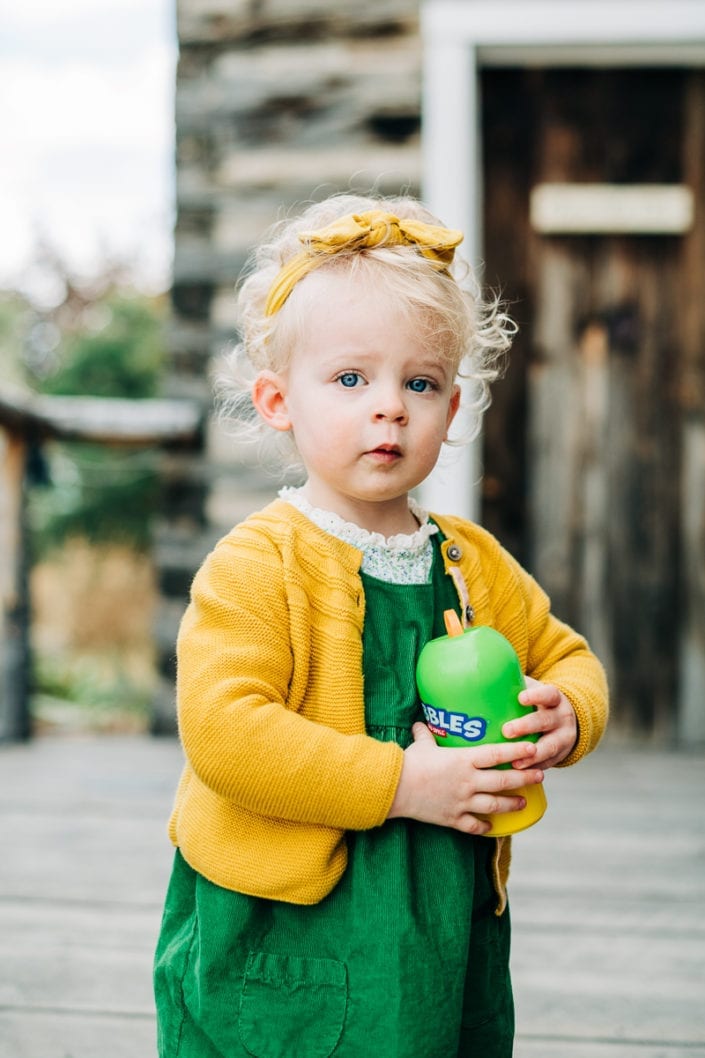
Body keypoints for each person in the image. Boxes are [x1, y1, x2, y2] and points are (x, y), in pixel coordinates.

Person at [154, 194, 609, 1058]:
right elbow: (223, 732)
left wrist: (567, 713)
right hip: (289, 920)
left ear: (452, 405)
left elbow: (566, 654)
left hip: (435, 908)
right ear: (278, 400)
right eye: (351, 379)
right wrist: (402, 783)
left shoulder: (468, 561)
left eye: (421, 382)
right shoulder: (261, 563)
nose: (390, 408)